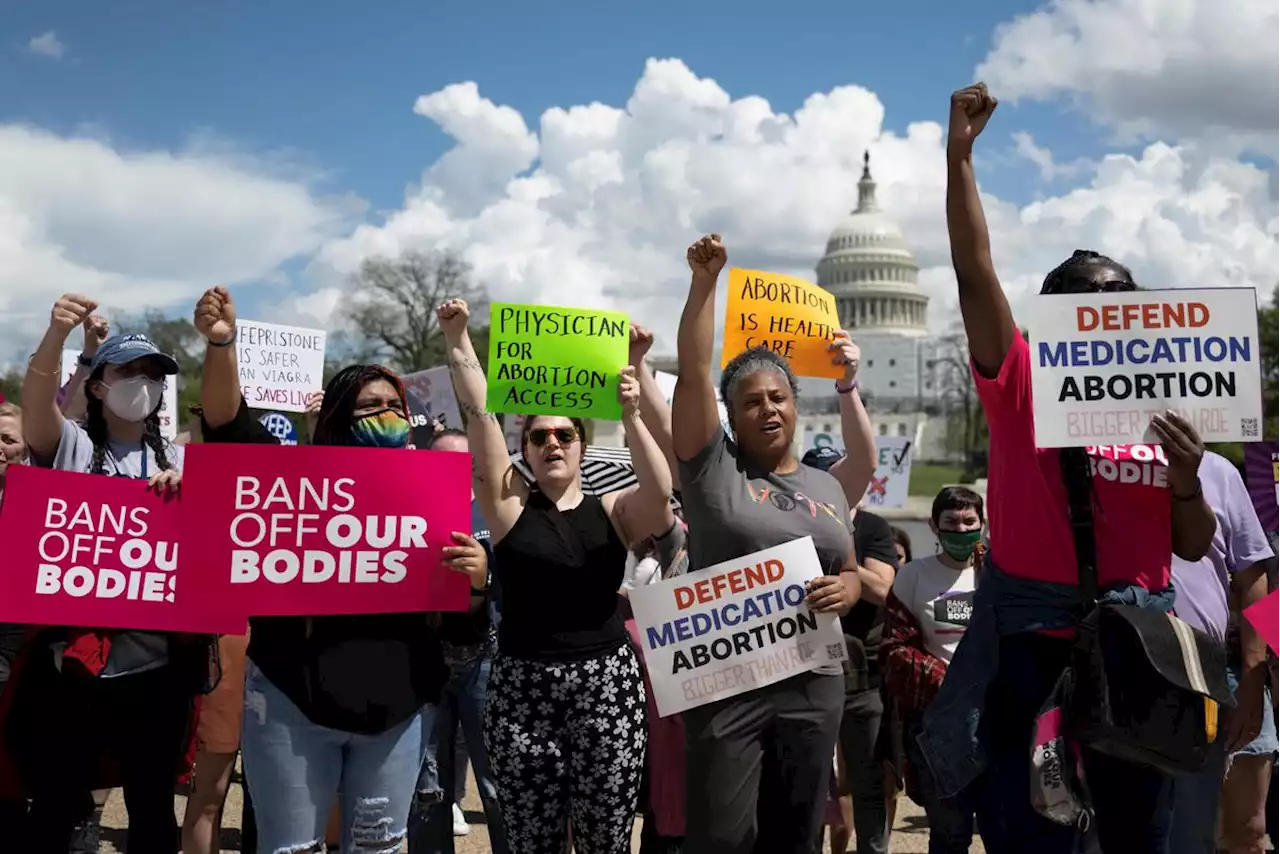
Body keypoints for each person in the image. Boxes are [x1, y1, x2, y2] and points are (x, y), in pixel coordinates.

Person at [927, 82, 1216, 854]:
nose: (1103, 309)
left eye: (1119, 298)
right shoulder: (1020, 383)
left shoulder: (1167, 413)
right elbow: (974, 270)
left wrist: (1187, 477)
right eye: (1083, 301)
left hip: (1136, 653)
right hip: (1035, 646)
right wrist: (960, 155)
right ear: (1050, 319)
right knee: (1033, 834)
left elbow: (1191, 545)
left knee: (1136, 834)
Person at [192, 286, 459, 854]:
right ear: (338, 419)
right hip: (292, 700)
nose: (385, 416)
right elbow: (226, 422)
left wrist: (476, 575)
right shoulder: (290, 481)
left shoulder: (430, 496)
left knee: (380, 848)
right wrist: (222, 345)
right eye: (368, 408)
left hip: (396, 707)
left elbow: (459, 615)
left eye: (394, 406)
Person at [439, 296, 674, 854]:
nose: (551, 444)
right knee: (530, 839)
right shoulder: (508, 507)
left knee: (606, 838)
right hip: (522, 689)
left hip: (606, 690)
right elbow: (478, 415)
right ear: (523, 449)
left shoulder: (615, 511)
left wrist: (634, 414)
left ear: (581, 446)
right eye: (538, 437)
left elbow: (661, 492)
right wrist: (457, 337)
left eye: (564, 436)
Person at [670, 234, 867, 854]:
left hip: (813, 684)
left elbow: (854, 567)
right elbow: (695, 374)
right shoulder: (712, 473)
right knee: (722, 838)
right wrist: (705, 286)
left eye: (778, 397)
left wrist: (850, 586)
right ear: (730, 416)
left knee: (796, 837)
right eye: (750, 402)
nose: (767, 409)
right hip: (727, 683)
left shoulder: (826, 487)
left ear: (795, 405)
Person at [14, 294, 200, 854]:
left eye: (152, 374)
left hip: (156, 670)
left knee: (151, 808)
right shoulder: (71, 445)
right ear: (97, 385)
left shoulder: (180, 459)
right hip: (73, 670)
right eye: (126, 370)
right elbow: (36, 405)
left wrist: (190, 499)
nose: (141, 381)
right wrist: (58, 335)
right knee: (55, 804)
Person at [1166, 450, 1275, 854]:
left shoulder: (1221, 471)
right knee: (1181, 831)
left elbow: (1255, 573)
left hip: (1241, 671)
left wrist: (1256, 672)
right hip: (1164, 675)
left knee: (1250, 830)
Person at [408, 427, 510, 854]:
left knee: (498, 783)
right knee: (426, 787)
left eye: (462, 461)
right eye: (440, 460)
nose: (452, 469)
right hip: (421, 665)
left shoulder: (498, 512)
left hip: (485, 662)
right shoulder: (403, 512)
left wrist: (483, 577)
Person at [801, 446, 899, 854]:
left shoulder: (874, 527)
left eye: (837, 478)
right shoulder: (786, 524)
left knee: (868, 782)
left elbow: (882, 590)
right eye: (821, 479)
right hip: (803, 673)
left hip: (862, 678)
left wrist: (840, 557)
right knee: (804, 782)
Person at [883, 487, 985, 854]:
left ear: (983, 524)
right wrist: (944, 680)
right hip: (937, 722)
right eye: (951, 522)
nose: (961, 530)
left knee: (1003, 829)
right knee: (950, 833)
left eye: (969, 522)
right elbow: (893, 647)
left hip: (994, 719)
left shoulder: (999, 577)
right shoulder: (912, 576)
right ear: (934, 527)